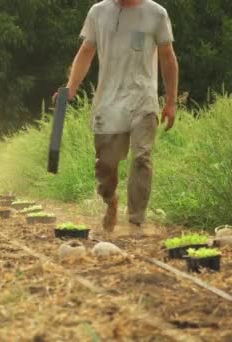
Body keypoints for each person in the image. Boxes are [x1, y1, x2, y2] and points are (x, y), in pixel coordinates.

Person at [59, 0, 179, 232]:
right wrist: (71, 88)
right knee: (106, 163)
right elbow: (86, 51)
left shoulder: (156, 14)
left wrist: (171, 101)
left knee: (141, 156)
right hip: (108, 101)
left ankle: (136, 220)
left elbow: (168, 57)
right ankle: (110, 199)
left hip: (143, 99)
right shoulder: (98, 12)